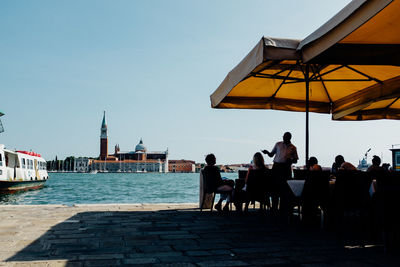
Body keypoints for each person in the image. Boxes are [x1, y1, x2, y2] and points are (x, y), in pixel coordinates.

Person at [262, 132, 298, 212]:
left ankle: (282, 209)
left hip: (286, 168)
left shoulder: (293, 147)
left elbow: (296, 160)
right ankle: (274, 208)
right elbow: (271, 155)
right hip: (276, 167)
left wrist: (291, 160)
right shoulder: (278, 144)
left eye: (286, 137)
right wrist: (267, 152)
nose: (284, 138)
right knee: (275, 188)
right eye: (284, 136)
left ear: (289, 138)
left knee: (284, 189)